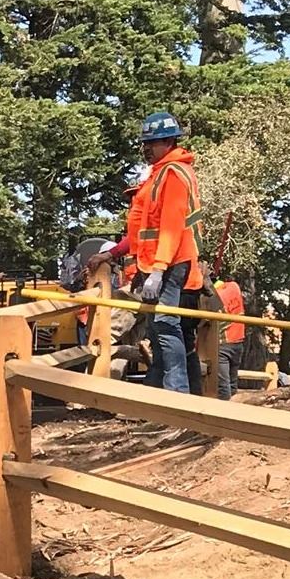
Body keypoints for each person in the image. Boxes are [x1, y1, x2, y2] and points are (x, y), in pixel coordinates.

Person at [111, 111, 205, 392]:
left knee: (166, 325)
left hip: (170, 263)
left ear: (168, 142)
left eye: (150, 144)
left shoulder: (173, 174)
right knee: (159, 328)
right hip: (157, 263)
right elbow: (144, 228)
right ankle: (167, 391)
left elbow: (171, 226)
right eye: (144, 144)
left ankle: (177, 394)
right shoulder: (160, 174)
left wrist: (158, 269)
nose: (145, 149)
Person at [212, 269, 247, 398]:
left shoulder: (214, 298)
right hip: (238, 341)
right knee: (232, 381)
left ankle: (225, 410)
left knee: (223, 383)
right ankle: (234, 404)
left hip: (223, 343)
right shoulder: (234, 287)